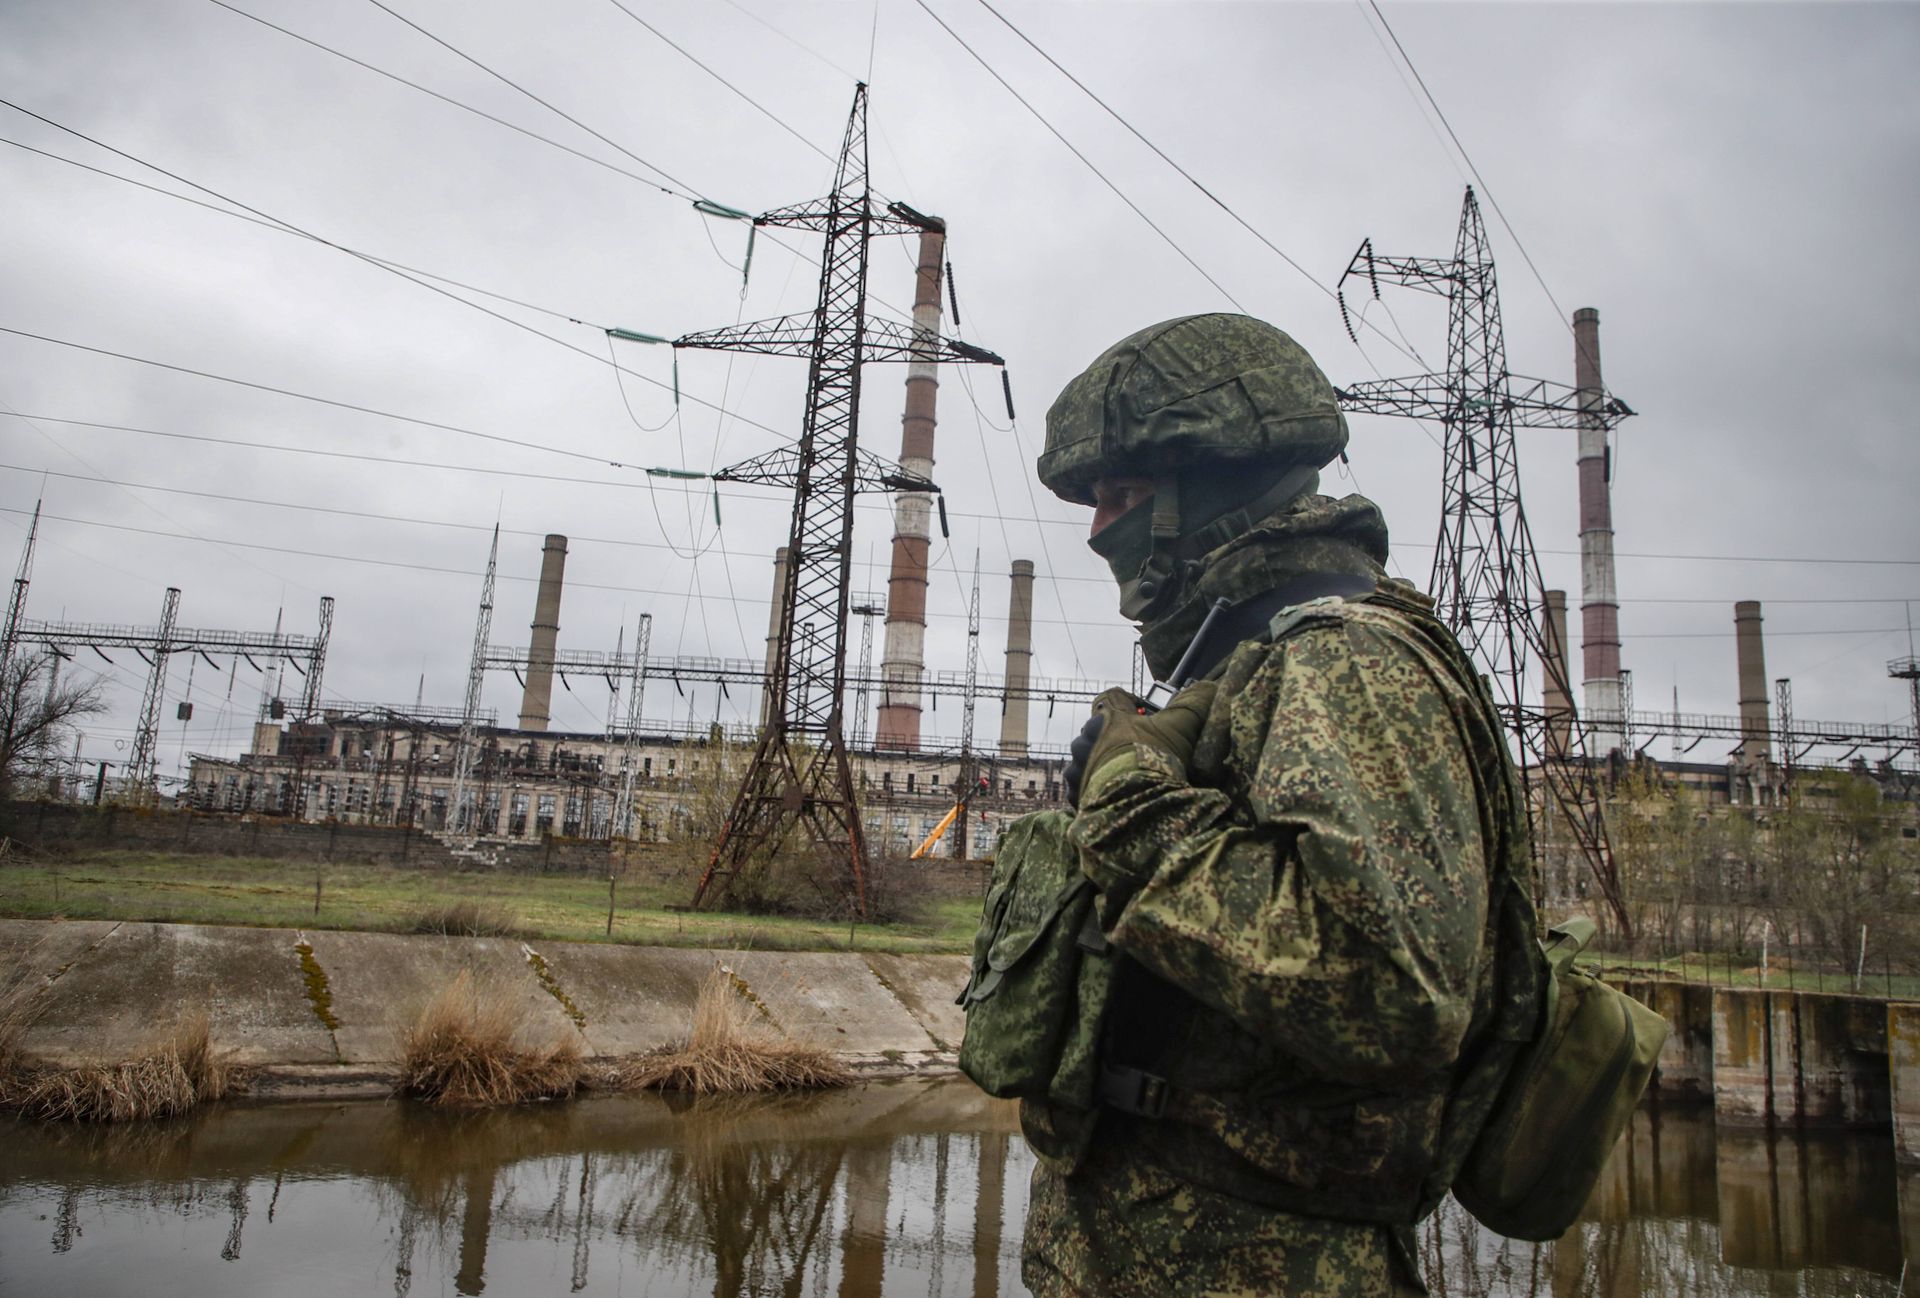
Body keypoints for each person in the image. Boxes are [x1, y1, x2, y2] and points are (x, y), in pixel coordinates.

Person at [1019, 314, 1542, 1297]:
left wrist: (1137, 818)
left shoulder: (1342, 657)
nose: (1098, 532)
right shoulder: (1252, 655)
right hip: (1159, 1250)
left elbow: (1397, 993)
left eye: (1123, 496)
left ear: (1208, 491)